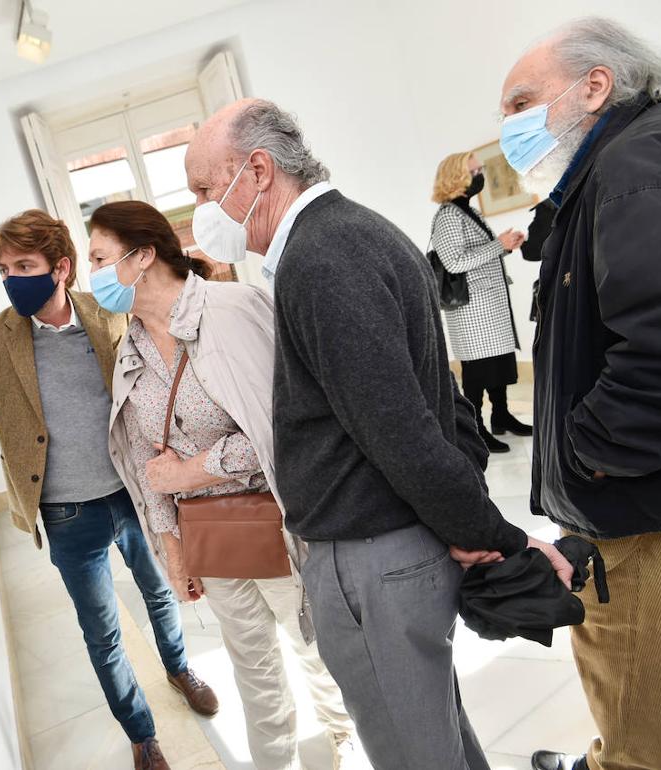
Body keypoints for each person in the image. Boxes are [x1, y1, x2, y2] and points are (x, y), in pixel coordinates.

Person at [184, 97, 573, 770]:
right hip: (388, 544)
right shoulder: (349, 235)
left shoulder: (324, 257)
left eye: (202, 190)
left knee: (414, 754)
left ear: (257, 171)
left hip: (372, 557)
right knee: (438, 743)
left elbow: (401, 429)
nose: (199, 213)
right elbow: (438, 401)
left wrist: (488, 534)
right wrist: (465, 518)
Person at [0, 210, 218, 770]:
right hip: (66, 515)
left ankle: (179, 667)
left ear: (61, 268)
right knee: (102, 633)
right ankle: (141, 734)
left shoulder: (110, 314)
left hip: (134, 495)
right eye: (3, 269)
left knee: (161, 593)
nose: (11, 278)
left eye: (23, 266)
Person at [497, 17, 661, 770]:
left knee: (635, 740)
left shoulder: (637, 161)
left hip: (650, 509)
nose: (508, 127)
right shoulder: (656, 151)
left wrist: (591, 456)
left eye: (520, 103)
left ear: (595, 85)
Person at [94, 200, 366, 770]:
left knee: (316, 646)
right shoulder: (129, 351)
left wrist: (190, 471)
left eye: (99, 259)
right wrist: (174, 552)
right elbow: (145, 464)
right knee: (252, 666)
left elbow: (281, 426)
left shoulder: (233, 310)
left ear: (143, 256)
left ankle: (346, 739)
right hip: (208, 536)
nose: (93, 275)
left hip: (279, 519)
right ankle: (275, 761)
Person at [428, 152, 533, 452]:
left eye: (480, 169)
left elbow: (477, 253)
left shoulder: (469, 211)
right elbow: (454, 261)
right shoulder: (448, 216)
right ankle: (476, 430)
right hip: (473, 311)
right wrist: (497, 245)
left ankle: (501, 416)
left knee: (499, 366)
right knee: (477, 374)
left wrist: (505, 246)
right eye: (475, 171)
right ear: (455, 176)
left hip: (490, 306)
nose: (480, 175)